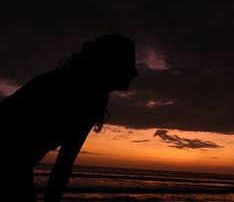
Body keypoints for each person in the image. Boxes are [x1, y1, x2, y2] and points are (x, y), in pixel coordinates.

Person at [0, 34, 138, 202]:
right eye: (130, 63)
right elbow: (63, 165)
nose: (134, 72)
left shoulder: (79, 90)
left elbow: (63, 164)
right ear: (113, 64)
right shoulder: (80, 96)